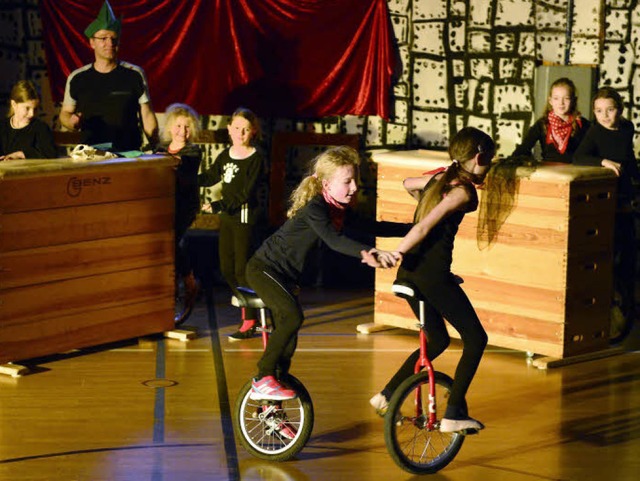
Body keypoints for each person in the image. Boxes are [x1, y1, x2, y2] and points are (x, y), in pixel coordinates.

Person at [246, 145, 409, 401]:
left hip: (285, 277)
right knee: (291, 317)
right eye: (347, 181)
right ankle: (262, 377)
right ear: (326, 184)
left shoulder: (338, 210)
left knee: (288, 344)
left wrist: (414, 229)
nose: (354, 187)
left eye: (356, 180)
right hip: (264, 269)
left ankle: (269, 406)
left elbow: (371, 225)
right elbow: (334, 240)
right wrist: (369, 252)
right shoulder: (316, 208)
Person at [369, 127, 495, 433]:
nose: (489, 166)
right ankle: (453, 412)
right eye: (488, 160)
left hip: (411, 273)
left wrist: (428, 193)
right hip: (430, 276)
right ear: (478, 157)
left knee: (438, 339)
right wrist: (395, 251)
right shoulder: (463, 192)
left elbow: (407, 182)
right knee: (477, 339)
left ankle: (385, 396)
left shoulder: (441, 180)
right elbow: (424, 228)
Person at [199, 107, 266, 341]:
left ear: (253, 132)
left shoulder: (256, 159)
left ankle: (251, 321)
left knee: (242, 269)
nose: (240, 133)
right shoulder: (226, 155)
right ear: (229, 129)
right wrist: (183, 174)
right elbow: (210, 177)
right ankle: (254, 312)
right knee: (227, 268)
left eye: (245, 129)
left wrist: (218, 205)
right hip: (228, 217)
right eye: (236, 128)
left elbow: (246, 194)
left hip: (244, 218)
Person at [574, 86, 639, 328]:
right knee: (609, 249)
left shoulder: (626, 128)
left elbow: (629, 158)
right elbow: (578, 157)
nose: (605, 116)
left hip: (625, 193)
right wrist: (603, 161)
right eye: (599, 111)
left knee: (629, 251)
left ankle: (627, 304)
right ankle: (605, 303)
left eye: (610, 110)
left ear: (619, 110)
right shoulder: (594, 132)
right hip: (604, 196)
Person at [59, 0, 158, 151]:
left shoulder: (134, 74)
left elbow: (147, 114)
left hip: (129, 153)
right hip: (92, 154)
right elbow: (65, 113)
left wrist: (155, 146)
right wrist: (71, 122)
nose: (110, 43)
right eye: (103, 38)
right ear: (92, 42)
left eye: (113, 38)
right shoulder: (77, 78)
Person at [155, 103, 202, 308]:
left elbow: (185, 174)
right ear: (170, 127)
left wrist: (168, 163)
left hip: (184, 206)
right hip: (163, 204)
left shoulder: (193, 151)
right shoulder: (159, 149)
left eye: (187, 126)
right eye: (178, 126)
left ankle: (188, 279)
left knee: (172, 241)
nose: (182, 131)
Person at [511, 77, 590, 163]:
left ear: (574, 100)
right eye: (556, 98)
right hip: (548, 171)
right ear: (550, 101)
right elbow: (523, 149)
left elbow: (591, 152)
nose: (561, 103)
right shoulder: (542, 124)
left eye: (566, 98)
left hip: (573, 172)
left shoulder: (582, 124)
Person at [0, 80, 57, 160]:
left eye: (35, 109)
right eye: (27, 108)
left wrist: (21, 154)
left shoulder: (40, 128)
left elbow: (50, 154)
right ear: (14, 104)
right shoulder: (2, 127)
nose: (32, 114)